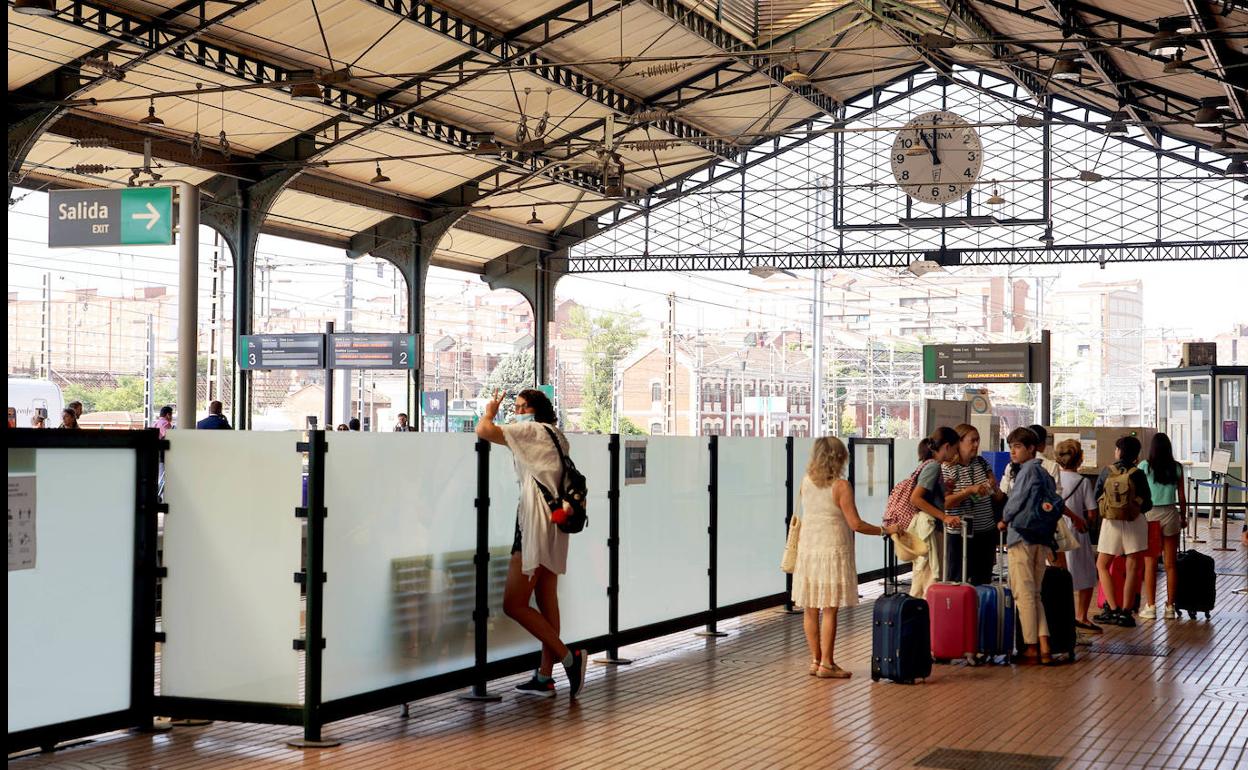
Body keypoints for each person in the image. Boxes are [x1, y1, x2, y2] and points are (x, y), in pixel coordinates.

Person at [476, 388, 587, 699]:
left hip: (535, 521)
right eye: (517, 407)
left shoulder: (531, 431)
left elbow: (484, 430)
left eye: (524, 407)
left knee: (513, 604)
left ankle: (570, 658)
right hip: (556, 522)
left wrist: (490, 410)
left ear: (537, 410)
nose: (519, 412)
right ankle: (544, 677)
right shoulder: (557, 435)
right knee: (546, 597)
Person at [793, 436, 895, 679]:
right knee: (829, 609)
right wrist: (884, 530)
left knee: (810, 608)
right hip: (832, 550)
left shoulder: (806, 481)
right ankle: (827, 664)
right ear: (838, 458)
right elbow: (856, 524)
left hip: (808, 550)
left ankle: (815, 660)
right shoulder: (841, 486)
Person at [1000, 427, 1060, 665]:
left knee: (1023, 593)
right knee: (1035, 593)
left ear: (1031, 448)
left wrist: (1004, 519)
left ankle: (1031, 647)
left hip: (1021, 537)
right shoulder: (1045, 473)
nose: (1012, 452)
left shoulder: (1027, 471)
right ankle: (1044, 644)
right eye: (1011, 447)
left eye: (1017, 447)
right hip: (1040, 537)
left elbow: (1015, 502)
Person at [1092, 435, 1153, 628]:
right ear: (1136, 454)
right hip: (1135, 523)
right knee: (1133, 567)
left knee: (1102, 565)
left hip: (1111, 524)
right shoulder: (1138, 473)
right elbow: (1148, 503)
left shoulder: (1107, 471)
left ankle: (1112, 608)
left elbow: (1096, 496)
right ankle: (1126, 612)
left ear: (1118, 451)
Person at [942, 423, 1005, 584]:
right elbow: (945, 503)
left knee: (983, 580)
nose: (976, 445)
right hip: (960, 534)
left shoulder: (982, 463)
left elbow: (997, 496)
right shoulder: (947, 468)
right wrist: (968, 491)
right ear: (959, 442)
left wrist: (993, 487)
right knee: (958, 580)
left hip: (986, 531)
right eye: (972, 441)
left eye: (978, 440)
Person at [907, 426, 963, 596]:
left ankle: (917, 611)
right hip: (929, 528)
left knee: (922, 579)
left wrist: (943, 488)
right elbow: (916, 498)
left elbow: (926, 495)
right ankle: (925, 612)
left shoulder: (929, 464)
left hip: (925, 527)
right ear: (947, 446)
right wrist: (944, 517)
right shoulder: (934, 467)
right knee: (929, 580)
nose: (956, 454)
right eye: (955, 449)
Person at [1137, 433, 1186, 620]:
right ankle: (1170, 607)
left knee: (1150, 563)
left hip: (1150, 515)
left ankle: (1150, 607)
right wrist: (1183, 516)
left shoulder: (1144, 466)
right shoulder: (1177, 467)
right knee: (1170, 564)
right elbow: (1181, 496)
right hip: (1171, 513)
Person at [1055, 439, 1100, 635]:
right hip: (1077, 531)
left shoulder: (1052, 479)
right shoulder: (1082, 482)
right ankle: (1081, 616)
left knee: (1059, 575)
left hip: (1056, 531)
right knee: (1086, 574)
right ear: (1080, 458)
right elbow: (1092, 512)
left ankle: (1061, 616)